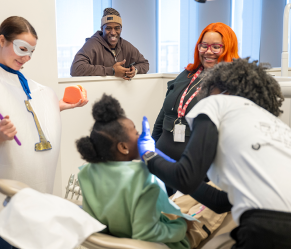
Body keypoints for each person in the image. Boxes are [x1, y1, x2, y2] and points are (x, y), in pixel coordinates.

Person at [0, 16, 88, 249]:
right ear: (1, 40)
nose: (26, 57)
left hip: (27, 196)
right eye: (22, 48)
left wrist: (61, 105)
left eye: (32, 51)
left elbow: (25, 112)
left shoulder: (16, 78)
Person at [138, 58, 291, 249]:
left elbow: (185, 178)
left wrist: (149, 155)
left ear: (222, 88)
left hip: (267, 225)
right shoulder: (275, 126)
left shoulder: (218, 103)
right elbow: (220, 202)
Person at [76, 94, 196, 249]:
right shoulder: (143, 180)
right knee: (209, 211)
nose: (141, 136)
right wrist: (181, 226)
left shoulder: (86, 172)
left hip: (109, 242)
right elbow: (146, 234)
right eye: (136, 133)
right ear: (123, 147)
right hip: (158, 244)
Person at [152, 22, 239, 169]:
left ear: (228, 48)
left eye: (216, 47)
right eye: (204, 45)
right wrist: (151, 149)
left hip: (194, 167)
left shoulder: (231, 85)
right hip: (161, 159)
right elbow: (163, 115)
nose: (208, 52)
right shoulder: (187, 74)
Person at [70, 8, 149, 80]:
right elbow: (75, 69)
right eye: (108, 28)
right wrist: (112, 71)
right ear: (102, 29)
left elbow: (144, 63)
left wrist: (134, 70)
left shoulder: (125, 45)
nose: (113, 33)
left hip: (120, 93)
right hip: (97, 93)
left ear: (121, 29)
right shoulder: (92, 44)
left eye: (117, 28)